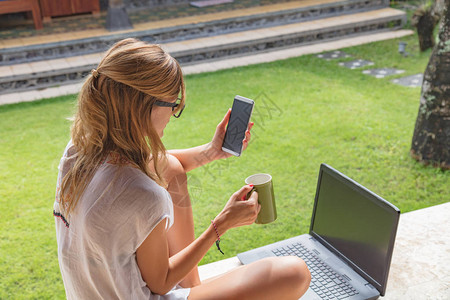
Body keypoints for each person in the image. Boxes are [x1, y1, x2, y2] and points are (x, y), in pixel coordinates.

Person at [53, 38, 311, 300]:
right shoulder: (143, 196)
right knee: (294, 272)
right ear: (143, 106)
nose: (174, 112)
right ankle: (191, 289)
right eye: (173, 105)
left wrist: (213, 150)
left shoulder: (79, 149)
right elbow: (160, 283)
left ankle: (192, 284)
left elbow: (160, 163)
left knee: (172, 169)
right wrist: (221, 225)